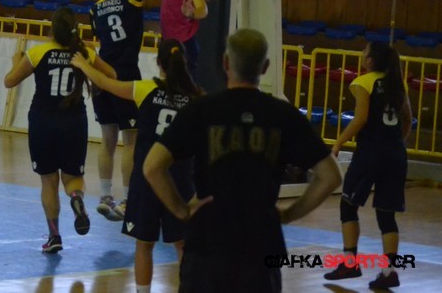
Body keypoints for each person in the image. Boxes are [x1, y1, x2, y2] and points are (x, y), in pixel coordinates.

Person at [143, 28, 342, 293]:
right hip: (261, 244)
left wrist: (182, 211)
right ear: (265, 67)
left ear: (226, 63)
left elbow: (152, 167)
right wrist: (290, 213)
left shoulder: (201, 110)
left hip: (208, 242)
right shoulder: (283, 115)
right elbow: (331, 176)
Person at [72, 38, 202, 293]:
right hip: (181, 181)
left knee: (144, 244)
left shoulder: (145, 89)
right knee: (182, 245)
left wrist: (83, 64)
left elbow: (105, 83)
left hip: (148, 180)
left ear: (158, 63)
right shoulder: (196, 98)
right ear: (184, 62)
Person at [88, 0, 177, 221]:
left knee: (106, 140)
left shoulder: (95, 8)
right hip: (125, 76)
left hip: (101, 77)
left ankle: (105, 195)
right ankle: (126, 201)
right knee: (131, 140)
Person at [4, 7, 93, 254]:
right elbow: (111, 75)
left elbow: (9, 81)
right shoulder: (84, 53)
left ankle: (54, 237)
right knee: (72, 178)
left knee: (49, 180)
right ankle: (76, 197)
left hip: (43, 121)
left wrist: (16, 61)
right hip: (74, 122)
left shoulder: (38, 52)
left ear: (52, 29)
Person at [324, 42, 412, 289]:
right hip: (396, 154)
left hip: (370, 153)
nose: (362, 55)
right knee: (386, 214)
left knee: (348, 205)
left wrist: (338, 142)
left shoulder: (363, 82)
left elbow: (361, 118)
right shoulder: (398, 83)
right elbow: (407, 119)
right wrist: (396, 144)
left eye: (365, 52)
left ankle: (350, 263)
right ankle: (389, 272)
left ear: (371, 60)